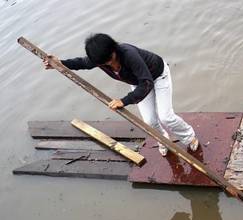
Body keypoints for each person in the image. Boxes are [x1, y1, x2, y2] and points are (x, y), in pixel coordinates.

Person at [43, 33, 198, 156]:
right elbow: (82, 63)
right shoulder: (100, 60)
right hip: (138, 82)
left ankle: (189, 137)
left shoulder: (128, 54)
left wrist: (124, 101)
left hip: (157, 76)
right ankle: (163, 140)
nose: (110, 64)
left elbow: (147, 83)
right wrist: (60, 63)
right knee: (150, 121)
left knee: (166, 116)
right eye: (104, 63)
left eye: (110, 59)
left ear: (114, 49)